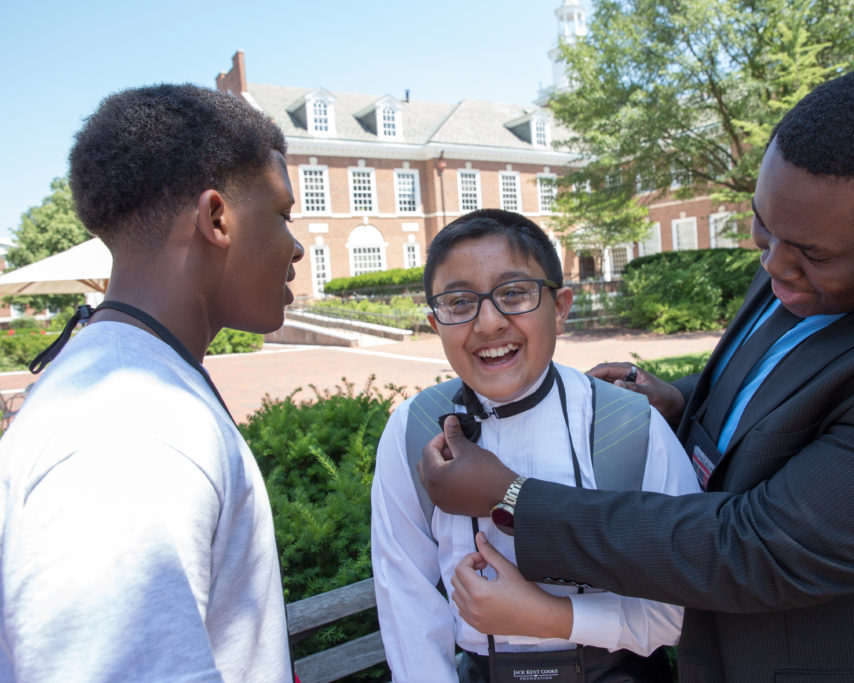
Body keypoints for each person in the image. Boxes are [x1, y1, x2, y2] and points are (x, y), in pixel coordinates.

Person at [420, 68, 854, 681]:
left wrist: (512, 496)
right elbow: (782, 386)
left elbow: (758, 549)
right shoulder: (811, 240)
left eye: (811, 255)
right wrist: (677, 402)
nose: (775, 267)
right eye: (763, 227)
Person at [0, 84, 303, 681]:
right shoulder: (131, 434)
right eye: (283, 214)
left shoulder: (128, 388)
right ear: (217, 218)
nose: (295, 247)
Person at [370, 209, 700, 682]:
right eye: (459, 302)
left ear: (561, 306)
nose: (487, 323)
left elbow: (681, 609)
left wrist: (548, 614)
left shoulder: (628, 427)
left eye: (514, 293)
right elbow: (407, 604)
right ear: (434, 322)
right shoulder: (413, 428)